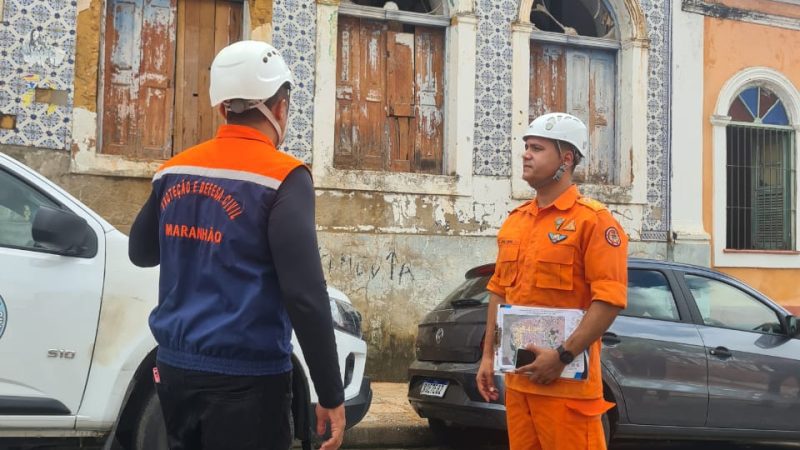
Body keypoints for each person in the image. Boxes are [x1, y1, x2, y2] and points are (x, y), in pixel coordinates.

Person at [128, 40, 345, 450]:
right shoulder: (285, 176)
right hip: (248, 382)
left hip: (174, 371)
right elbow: (304, 296)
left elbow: (141, 253)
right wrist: (330, 394)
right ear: (279, 107)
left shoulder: (174, 170)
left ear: (222, 107)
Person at [476, 113, 628, 450]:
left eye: (537, 148)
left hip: (567, 391)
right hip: (519, 386)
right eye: (526, 147)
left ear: (566, 158)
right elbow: (499, 293)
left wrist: (560, 356)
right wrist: (488, 357)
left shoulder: (594, 222)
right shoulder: (516, 222)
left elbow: (609, 301)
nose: (526, 154)